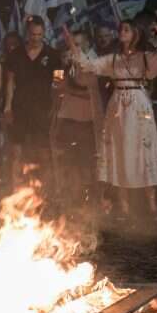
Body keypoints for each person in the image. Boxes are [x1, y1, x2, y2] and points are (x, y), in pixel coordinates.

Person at [65, 11, 157, 218]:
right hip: (118, 108)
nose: (121, 32)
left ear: (135, 33)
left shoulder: (145, 57)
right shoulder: (113, 59)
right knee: (120, 153)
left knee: (144, 152)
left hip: (139, 107)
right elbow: (87, 65)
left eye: (126, 29)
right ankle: (124, 207)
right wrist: (73, 47)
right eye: (120, 29)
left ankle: (152, 206)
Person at [4, 16, 59, 190]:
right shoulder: (15, 54)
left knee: (43, 151)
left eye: (40, 34)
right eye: (33, 34)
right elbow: (10, 81)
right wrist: (7, 106)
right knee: (16, 152)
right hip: (20, 109)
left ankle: (45, 190)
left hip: (43, 109)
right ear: (28, 33)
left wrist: (56, 106)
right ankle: (16, 189)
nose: (36, 38)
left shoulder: (52, 55)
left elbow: (58, 83)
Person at [51, 29, 99, 208]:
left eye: (78, 45)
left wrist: (68, 90)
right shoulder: (61, 67)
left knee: (87, 162)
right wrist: (60, 82)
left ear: (87, 45)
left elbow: (92, 93)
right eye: (72, 45)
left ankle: (91, 199)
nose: (74, 49)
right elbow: (55, 90)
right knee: (69, 161)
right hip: (67, 120)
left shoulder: (92, 66)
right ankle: (72, 197)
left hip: (87, 122)